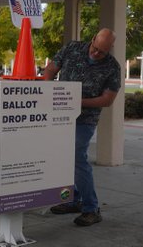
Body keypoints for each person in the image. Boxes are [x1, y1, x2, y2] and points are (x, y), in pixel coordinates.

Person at [43, 28, 121, 226]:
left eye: (102, 52)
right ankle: (73, 199)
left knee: (77, 156)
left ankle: (91, 208)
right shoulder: (72, 48)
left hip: (85, 119)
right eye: (95, 48)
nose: (96, 53)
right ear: (93, 39)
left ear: (109, 49)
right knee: (63, 157)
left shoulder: (113, 67)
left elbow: (107, 100)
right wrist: (48, 91)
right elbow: (51, 69)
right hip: (60, 115)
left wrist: (78, 102)